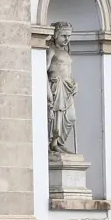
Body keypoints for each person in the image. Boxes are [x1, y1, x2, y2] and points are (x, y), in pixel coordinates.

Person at [47, 21, 78, 154]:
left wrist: (75, 83)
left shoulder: (66, 52)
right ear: (55, 35)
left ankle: (60, 141)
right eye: (64, 36)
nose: (67, 39)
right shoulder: (51, 50)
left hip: (67, 88)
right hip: (57, 86)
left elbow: (69, 70)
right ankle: (54, 143)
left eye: (68, 36)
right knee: (57, 116)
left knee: (71, 117)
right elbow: (44, 69)